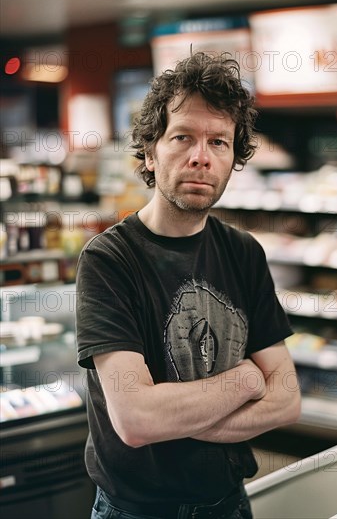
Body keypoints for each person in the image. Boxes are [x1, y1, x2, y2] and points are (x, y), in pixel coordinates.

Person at [76, 52, 301, 519]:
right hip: (137, 511)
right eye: (183, 137)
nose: (202, 156)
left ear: (233, 158)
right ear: (151, 152)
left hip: (228, 502)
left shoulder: (243, 253)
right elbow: (137, 421)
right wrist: (243, 379)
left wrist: (178, 416)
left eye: (219, 142)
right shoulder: (109, 261)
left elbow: (286, 400)